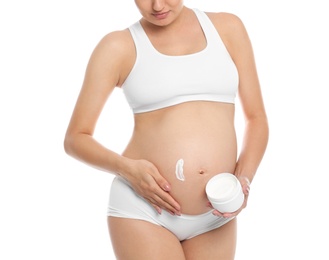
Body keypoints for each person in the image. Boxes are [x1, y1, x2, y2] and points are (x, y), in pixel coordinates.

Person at [64, 0, 269, 259]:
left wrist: (243, 180)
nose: (157, 5)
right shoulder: (118, 47)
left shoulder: (228, 28)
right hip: (145, 210)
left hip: (215, 213)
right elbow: (75, 138)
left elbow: (257, 118)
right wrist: (128, 169)